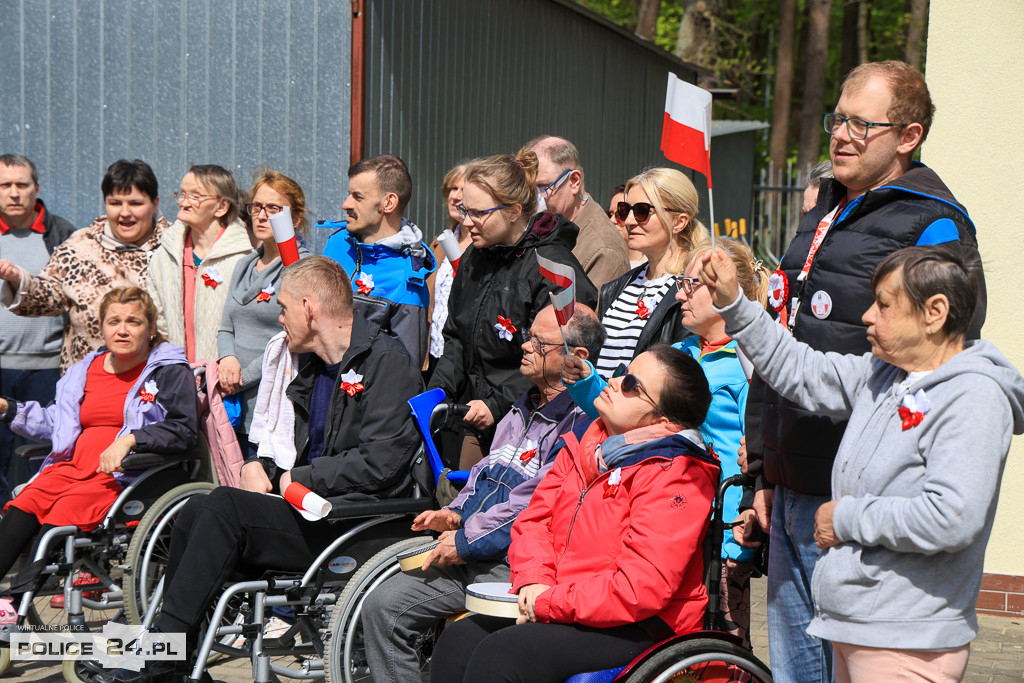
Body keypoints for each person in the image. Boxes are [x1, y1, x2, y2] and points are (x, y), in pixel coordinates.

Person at [747, 60, 987, 683]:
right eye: (837, 119)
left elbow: (940, 360)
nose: (842, 135)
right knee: (797, 672)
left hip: (859, 499)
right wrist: (762, 467)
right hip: (791, 478)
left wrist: (873, 502)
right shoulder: (823, 202)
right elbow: (789, 331)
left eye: (861, 123)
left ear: (907, 136)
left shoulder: (931, 220)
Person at [93, 256, 422, 683]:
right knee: (197, 507)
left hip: (355, 520)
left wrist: (298, 479)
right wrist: (262, 464)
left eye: (283, 308)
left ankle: (159, 660)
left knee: (223, 508)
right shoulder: (315, 364)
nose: (278, 318)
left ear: (309, 308)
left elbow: (382, 462)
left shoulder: (387, 361)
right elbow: (296, 448)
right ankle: (173, 655)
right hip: (313, 506)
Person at [703, 245, 1022, 683]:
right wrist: (736, 306)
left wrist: (848, 517)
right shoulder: (886, 375)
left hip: (907, 638)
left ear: (935, 312)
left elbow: (953, 515)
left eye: (884, 305)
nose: (867, 316)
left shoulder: (974, 397)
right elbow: (802, 370)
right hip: (863, 628)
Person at [430, 346, 719, 683]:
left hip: (642, 621)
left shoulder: (677, 473)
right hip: (567, 598)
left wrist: (549, 601)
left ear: (663, 420)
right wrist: (536, 580)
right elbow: (534, 520)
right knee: (457, 641)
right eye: (622, 371)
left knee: (502, 657)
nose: (612, 381)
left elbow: (641, 587)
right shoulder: (587, 442)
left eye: (631, 385)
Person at [362, 304, 605, 683]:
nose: (525, 347)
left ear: (577, 357)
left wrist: (464, 539)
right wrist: (456, 512)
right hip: (474, 545)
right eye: (528, 337)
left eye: (539, 344)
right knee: (381, 605)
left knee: (461, 640)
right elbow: (484, 471)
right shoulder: (521, 406)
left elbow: (531, 505)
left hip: (516, 562)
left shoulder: (580, 421)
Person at [562, 237, 770, 649]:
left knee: (722, 643)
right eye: (682, 284)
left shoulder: (748, 361)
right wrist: (588, 382)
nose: (679, 295)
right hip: (672, 513)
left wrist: (749, 507)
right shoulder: (677, 352)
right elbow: (628, 414)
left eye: (692, 286)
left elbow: (759, 440)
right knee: (678, 638)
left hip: (724, 527)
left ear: (726, 290)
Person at [0, 287, 198, 617]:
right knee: (23, 505)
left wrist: (131, 439)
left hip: (125, 475)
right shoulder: (85, 369)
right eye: (113, 321)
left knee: (64, 510)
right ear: (102, 327)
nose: (122, 330)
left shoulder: (168, 370)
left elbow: (183, 428)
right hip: (70, 468)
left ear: (150, 328)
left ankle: (14, 606)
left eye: (133, 321)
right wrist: (10, 409)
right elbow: (57, 423)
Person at [426, 150, 597, 469]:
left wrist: (497, 403)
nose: (466, 221)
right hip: (472, 417)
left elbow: (561, 356)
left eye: (478, 212)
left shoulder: (555, 270)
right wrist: (437, 392)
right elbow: (456, 337)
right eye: (464, 209)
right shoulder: (476, 256)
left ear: (515, 211)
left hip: (534, 427)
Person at [0, 159, 169, 371]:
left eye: (135, 203)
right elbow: (49, 297)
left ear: (154, 204)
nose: (125, 213)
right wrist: (18, 279)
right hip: (88, 384)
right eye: (115, 203)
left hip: (156, 381)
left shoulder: (175, 248)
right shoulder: (80, 246)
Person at [0, 154, 75, 503]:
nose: (14, 193)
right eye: (5, 185)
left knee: (41, 461)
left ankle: (36, 541)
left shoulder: (62, 235)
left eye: (22, 185)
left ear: (37, 189)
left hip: (47, 371)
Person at [217, 169, 311, 442]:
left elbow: (291, 340)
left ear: (295, 219)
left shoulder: (300, 267)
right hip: (231, 401)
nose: (261, 215)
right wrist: (228, 360)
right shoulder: (243, 265)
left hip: (270, 399)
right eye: (257, 206)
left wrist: (242, 378)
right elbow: (225, 327)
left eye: (273, 208)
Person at [320, 154, 436, 367]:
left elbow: (403, 373)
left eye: (358, 196)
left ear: (388, 203)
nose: (346, 204)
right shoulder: (336, 243)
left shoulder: (408, 278)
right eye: (349, 194)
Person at [593, 167, 709, 378]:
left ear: (679, 222)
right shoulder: (615, 288)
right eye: (624, 209)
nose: (628, 221)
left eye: (642, 211)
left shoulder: (693, 290)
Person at [147, 164, 251, 364]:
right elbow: (158, 321)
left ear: (221, 207)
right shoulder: (164, 255)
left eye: (195, 196)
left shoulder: (243, 258)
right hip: (177, 377)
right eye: (182, 194)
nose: (184, 203)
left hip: (226, 380)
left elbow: (247, 327)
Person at [527, 135, 629, 289]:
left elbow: (586, 312)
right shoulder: (544, 226)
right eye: (528, 189)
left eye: (543, 187)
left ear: (574, 181)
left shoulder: (603, 249)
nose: (534, 199)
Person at [424, 162, 473, 376]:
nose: (455, 196)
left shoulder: (487, 247)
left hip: (466, 359)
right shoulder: (441, 241)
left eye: (464, 190)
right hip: (435, 353)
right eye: (453, 189)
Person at [607, 183, 645, 268]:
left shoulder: (651, 269)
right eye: (610, 214)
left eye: (621, 213)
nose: (611, 220)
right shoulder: (605, 261)